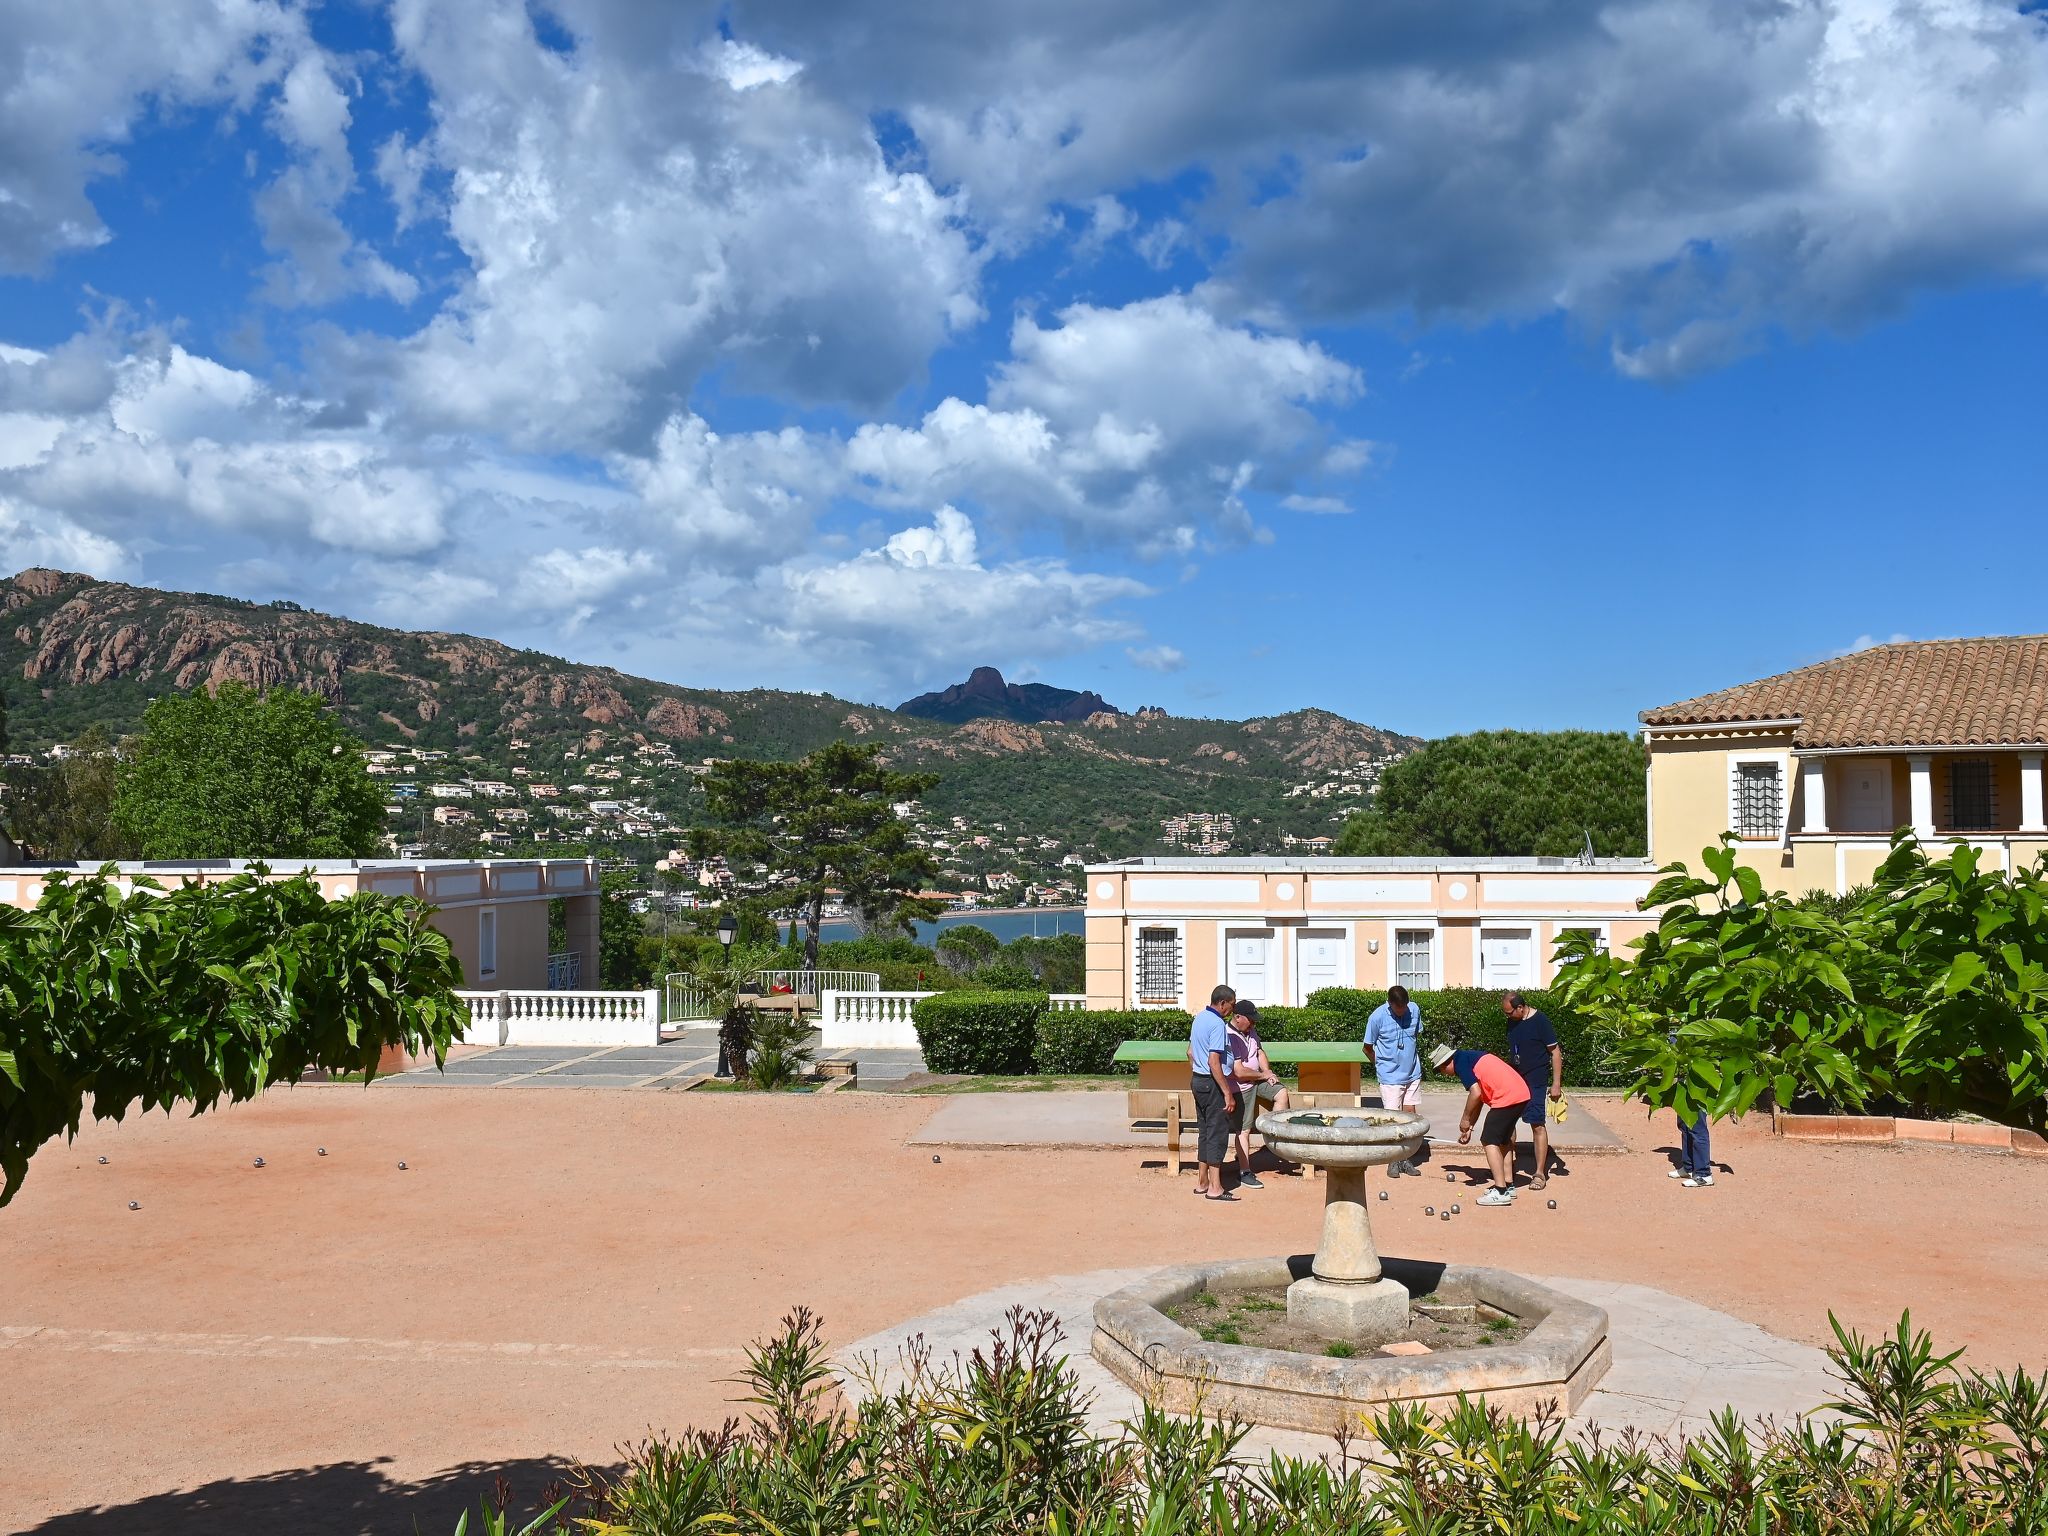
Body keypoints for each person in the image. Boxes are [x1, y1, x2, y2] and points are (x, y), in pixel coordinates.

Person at [1431, 1041, 1529, 1206]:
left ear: (1447, 1062)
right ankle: (1508, 1185)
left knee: (1489, 1140)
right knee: (1503, 1141)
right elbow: (1481, 1098)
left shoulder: (1461, 1062)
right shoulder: (1468, 1058)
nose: (1443, 1073)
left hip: (1507, 1097)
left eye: (1441, 1069)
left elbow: (1475, 1093)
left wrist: (1464, 1119)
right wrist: (1470, 1126)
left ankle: (1500, 1191)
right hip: (1520, 1094)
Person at [1501, 992, 1565, 1190]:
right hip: (1515, 1081)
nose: (1508, 1016)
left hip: (1536, 1081)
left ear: (1521, 1007)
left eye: (1510, 1012)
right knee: (1508, 1124)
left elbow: (1555, 1052)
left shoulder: (1541, 1021)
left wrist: (1556, 1084)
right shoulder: (1512, 1022)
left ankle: (1539, 1173)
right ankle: (1507, 1168)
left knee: (1537, 1125)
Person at [1227, 1000, 1292, 1187]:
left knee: (1281, 1093)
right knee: (1244, 1130)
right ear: (1238, 1018)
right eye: (1251, 1020)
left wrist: (1268, 1073)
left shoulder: (1251, 1031)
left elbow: (1260, 1053)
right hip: (1240, 1086)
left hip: (1256, 1080)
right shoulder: (1229, 1036)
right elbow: (1239, 1072)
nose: (1254, 1023)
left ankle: (1274, 1143)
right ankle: (1245, 1171)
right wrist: (1262, 1074)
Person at [1365, 985, 1425, 1176]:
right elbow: (1367, 1047)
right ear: (1390, 1004)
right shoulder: (1377, 1017)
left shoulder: (1414, 1009)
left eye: (1405, 1007)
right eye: (1399, 1008)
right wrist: (1381, 1065)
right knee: (1392, 1119)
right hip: (1389, 1076)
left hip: (1412, 1072)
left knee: (1410, 1115)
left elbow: (1416, 1034)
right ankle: (1392, 1160)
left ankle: (1405, 1159)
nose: (1403, 1011)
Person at [1189, 984, 1240, 1200]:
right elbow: (1214, 1061)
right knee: (1217, 1134)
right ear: (1222, 1003)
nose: (1232, 1010)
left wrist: (1198, 1072)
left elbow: (1190, 1052)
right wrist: (1227, 1092)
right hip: (1211, 1084)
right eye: (1231, 1005)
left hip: (1197, 1081)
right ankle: (1215, 1187)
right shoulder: (1218, 1024)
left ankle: (1202, 1182)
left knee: (1204, 1132)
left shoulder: (1198, 1018)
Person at [1672, 1107, 1714, 1187]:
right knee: (1684, 1125)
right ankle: (1689, 1168)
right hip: (1684, 1094)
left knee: (1697, 1127)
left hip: (1698, 1096)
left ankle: (1703, 1175)